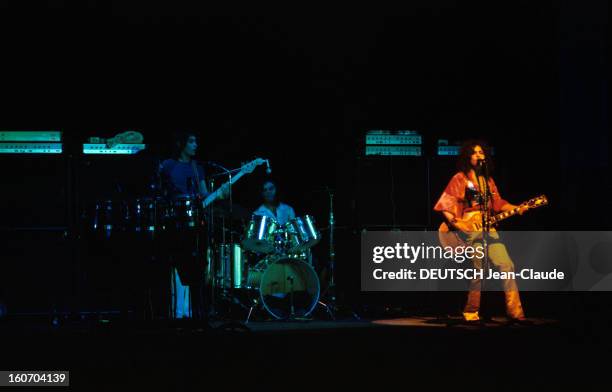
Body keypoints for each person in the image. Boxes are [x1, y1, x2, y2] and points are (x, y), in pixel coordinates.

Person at [433, 140, 529, 324]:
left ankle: (516, 313)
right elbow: (445, 204)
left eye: (482, 153)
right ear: (468, 157)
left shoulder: (489, 181)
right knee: (479, 270)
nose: (479, 155)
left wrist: (516, 208)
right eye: (475, 153)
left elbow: (498, 203)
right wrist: (458, 223)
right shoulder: (460, 178)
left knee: (506, 265)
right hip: (469, 226)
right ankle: (471, 313)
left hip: (489, 228)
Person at [159, 131, 228, 320]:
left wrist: (219, 194)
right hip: (172, 224)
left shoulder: (198, 168)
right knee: (176, 266)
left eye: (196, 141)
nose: (195, 145)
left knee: (195, 267)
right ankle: (177, 312)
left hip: (195, 225)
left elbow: (205, 195)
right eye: (191, 141)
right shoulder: (168, 166)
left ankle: (192, 312)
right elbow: (159, 191)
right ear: (181, 144)